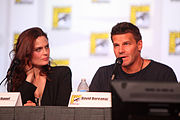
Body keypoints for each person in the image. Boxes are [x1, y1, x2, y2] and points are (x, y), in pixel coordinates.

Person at [89, 22, 177, 92]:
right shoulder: (103, 74)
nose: (120, 50)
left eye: (126, 44)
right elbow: (90, 111)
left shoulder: (163, 74)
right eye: (116, 45)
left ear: (139, 45)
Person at [6, 27, 72, 106]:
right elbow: (15, 112)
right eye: (38, 49)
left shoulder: (62, 74)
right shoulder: (15, 78)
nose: (45, 52)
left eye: (46, 47)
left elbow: (63, 112)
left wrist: (36, 112)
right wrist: (29, 77)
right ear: (26, 52)